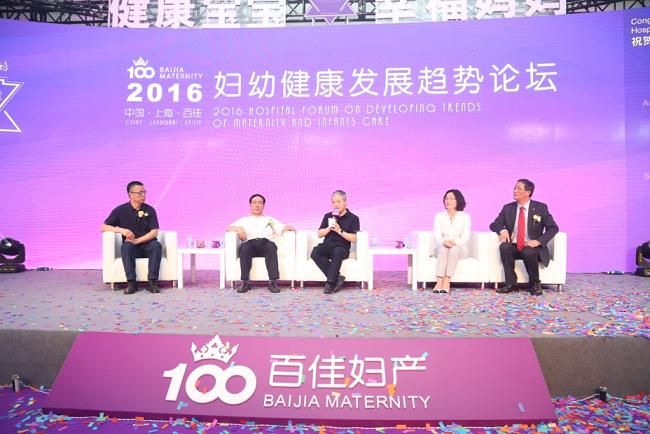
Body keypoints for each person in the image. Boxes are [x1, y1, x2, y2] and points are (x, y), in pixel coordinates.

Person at [489, 179, 559, 296]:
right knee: (505, 247)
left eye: (519, 188)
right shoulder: (508, 208)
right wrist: (502, 229)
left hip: (532, 247)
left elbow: (553, 228)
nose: (515, 191)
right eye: (514, 188)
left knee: (528, 252)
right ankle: (511, 284)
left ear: (528, 192)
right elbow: (494, 224)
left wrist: (538, 241)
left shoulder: (540, 207)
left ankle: (535, 284)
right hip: (514, 246)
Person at [101, 181, 162, 295]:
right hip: (131, 247)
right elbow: (103, 227)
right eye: (140, 192)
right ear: (130, 194)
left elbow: (154, 232)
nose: (143, 195)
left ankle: (152, 282)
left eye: (144, 192)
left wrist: (137, 240)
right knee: (126, 247)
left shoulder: (150, 210)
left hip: (147, 245)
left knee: (156, 245)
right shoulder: (120, 210)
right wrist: (122, 230)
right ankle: (131, 283)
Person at [227, 194, 295, 294]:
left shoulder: (269, 219)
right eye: (254, 203)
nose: (257, 205)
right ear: (250, 205)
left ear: (263, 206)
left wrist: (289, 228)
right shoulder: (244, 220)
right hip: (250, 244)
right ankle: (245, 282)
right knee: (244, 247)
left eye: (260, 203)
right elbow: (228, 228)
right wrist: (238, 229)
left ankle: (272, 282)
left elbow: (282, 227)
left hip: (265, 244)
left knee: (271, 246)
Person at [311, 190, 360, 294]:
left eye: (338, 202)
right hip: (327, 245)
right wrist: (329, 228)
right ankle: (338, 278)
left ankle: (330, 283)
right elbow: (319, 234)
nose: (335, 205)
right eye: (333, 202)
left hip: (342, 247)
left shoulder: (353, 218)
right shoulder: (328, 216)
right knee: (315, 252)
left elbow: (354, 238)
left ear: (345, 202)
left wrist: (339, 231)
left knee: (337, 252)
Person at [433, 189, 471, 293]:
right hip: (442, 246)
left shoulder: (465, 217)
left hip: (459, 248)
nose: (448, 200)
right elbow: (437, 235)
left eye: (451, 198)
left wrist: (455, 243)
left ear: (458, 200)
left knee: (453, 249)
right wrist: (443, 242)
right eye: (446, 198)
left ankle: (447, 280)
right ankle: (439, 281)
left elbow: (465, 237)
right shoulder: (439, 216)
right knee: (444, 248)